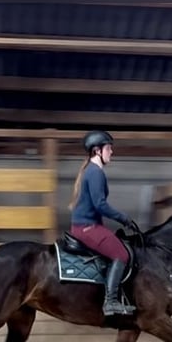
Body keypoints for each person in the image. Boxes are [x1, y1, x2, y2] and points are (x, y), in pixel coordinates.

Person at [68, 130, 140, 316]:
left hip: (88, 226)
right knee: (122, 254)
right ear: (97, 151)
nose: (112, 152)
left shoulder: (90, 171)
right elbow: (100, 205)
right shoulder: (95, 173)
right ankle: (110, 302)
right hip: (87, 228)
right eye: (109, 148)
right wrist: (124, 219)